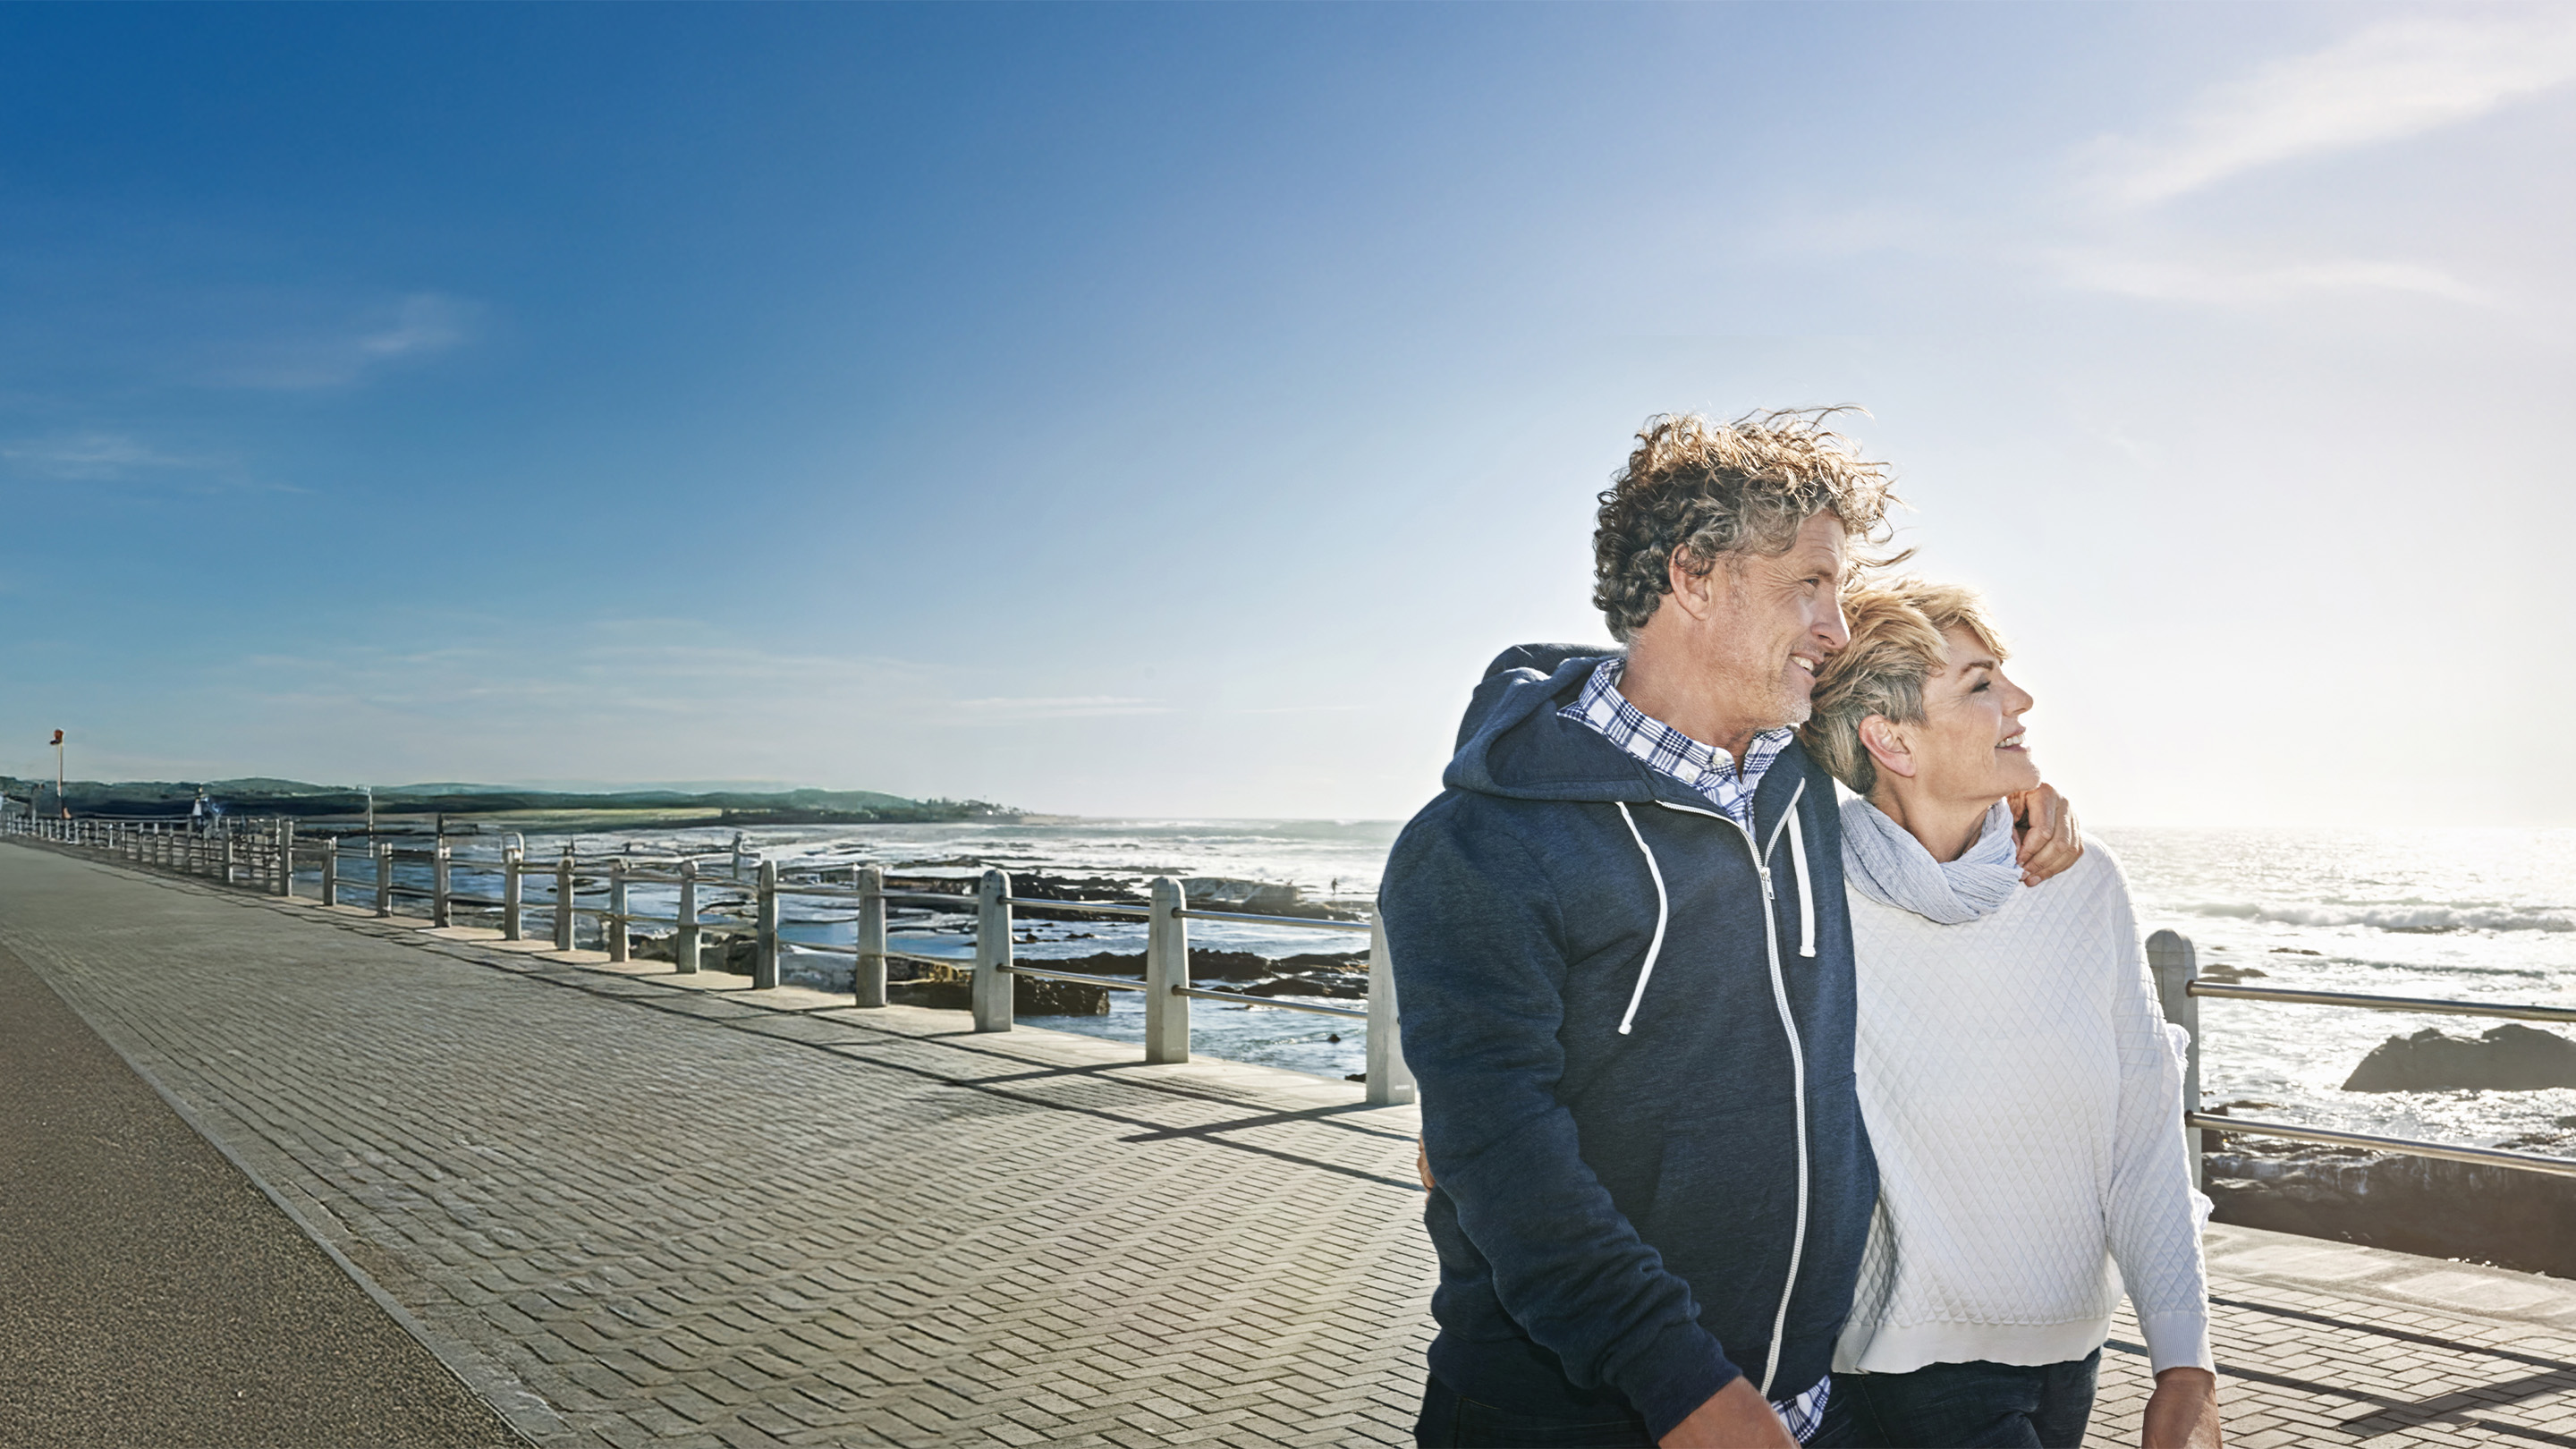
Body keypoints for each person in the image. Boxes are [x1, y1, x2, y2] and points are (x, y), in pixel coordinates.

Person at [1382, 411, 2084, 1449]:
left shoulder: (1799, 776)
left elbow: (1929, 753)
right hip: (1594, 1416)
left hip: (1805, 1401)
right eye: (1810, 585)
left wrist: (2027, 794)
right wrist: (1685, 1388)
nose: (1836, 628)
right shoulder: (1478, 846)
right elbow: (1501, 1153)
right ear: (1694, 576)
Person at [1798, 581, 2221, 1449]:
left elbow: (2142, 1126)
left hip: (2073, 1358)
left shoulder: (2081, 880)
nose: (2020, 701)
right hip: (1900, 1377)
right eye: (1981, 683)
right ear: (1891, 739)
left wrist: (2186, 1360)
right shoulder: (1811, 898)